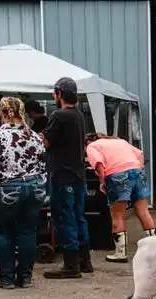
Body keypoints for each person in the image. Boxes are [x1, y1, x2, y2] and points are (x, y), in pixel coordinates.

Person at [0, 97, 47, 289]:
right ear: (22, 111)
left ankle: (7, 279)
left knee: (4, 234)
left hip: (9, 186)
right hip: (34, 186)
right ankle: (25, 278)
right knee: (27, 233)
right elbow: (43, 166)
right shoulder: (34, 136)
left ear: (2, 112)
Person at [41, 77, 92, 279]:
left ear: (59, 93)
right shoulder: (79, 116)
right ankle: (84, 260)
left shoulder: (58, 115)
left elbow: (46, 142)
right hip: (78, 175)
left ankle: (71, 264)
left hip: (62, 175)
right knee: (79, 217)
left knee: (64, 218)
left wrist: (37, 135)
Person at [84, 133, 156, 262]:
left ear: (88, 141)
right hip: (137, 171)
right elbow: (139, 154)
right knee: (143, 211)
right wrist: (136, 170)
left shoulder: (92, 146)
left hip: (117, 175)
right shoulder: (120, 141)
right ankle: (155, 249)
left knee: (118, 214)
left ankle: (120, 253)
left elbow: (99, 163)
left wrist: (102, 181)